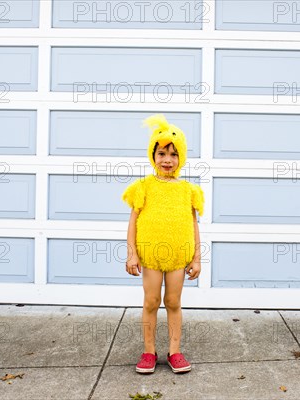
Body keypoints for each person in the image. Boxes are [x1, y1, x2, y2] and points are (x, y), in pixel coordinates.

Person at [122, 114, 204, 374]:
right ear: (153, 156)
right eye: (161, 154)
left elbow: (193, 225)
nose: (167, 160)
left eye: (173, 154)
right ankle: (148, 351)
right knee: (151, 301)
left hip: (179, 257)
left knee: (173, 302)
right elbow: (133, 222)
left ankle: (175, 351)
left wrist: (197, 258)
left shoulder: (188, 190)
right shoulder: (143, 187)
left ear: (181, 158)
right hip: (151, 256)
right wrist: (132, 254)